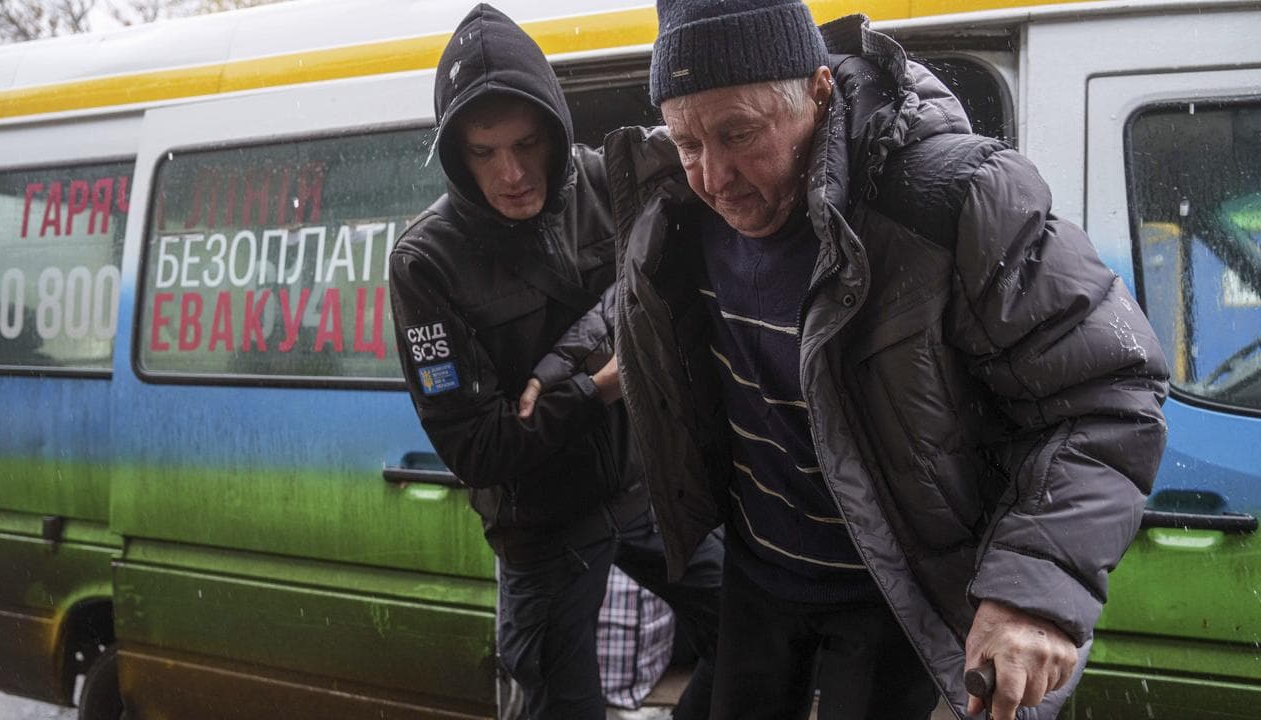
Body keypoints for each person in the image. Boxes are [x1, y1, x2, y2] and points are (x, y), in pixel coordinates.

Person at [530, 2, 1169, 718]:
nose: (714, 176)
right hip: (757, 571)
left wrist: (1033, 593)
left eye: (739, 134)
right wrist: (556, 368)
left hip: (895, 592)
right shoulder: (676, 203)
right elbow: (626, 302)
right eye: (687, 141)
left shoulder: (954, 198)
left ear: (818, 90)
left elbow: (1109, 392)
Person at [386, 5, 721, 720]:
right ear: (456, 154)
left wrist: (560, 378)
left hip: (648, 484)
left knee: (755, 634)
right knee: (558, 704)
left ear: (555, 130)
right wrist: (602, 385)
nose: (510, 173)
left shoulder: (608, 183)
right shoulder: (425, 261)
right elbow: (478, 448)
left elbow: (675, 280)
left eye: (526, 144)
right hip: (540, 524)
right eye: (483, 153)